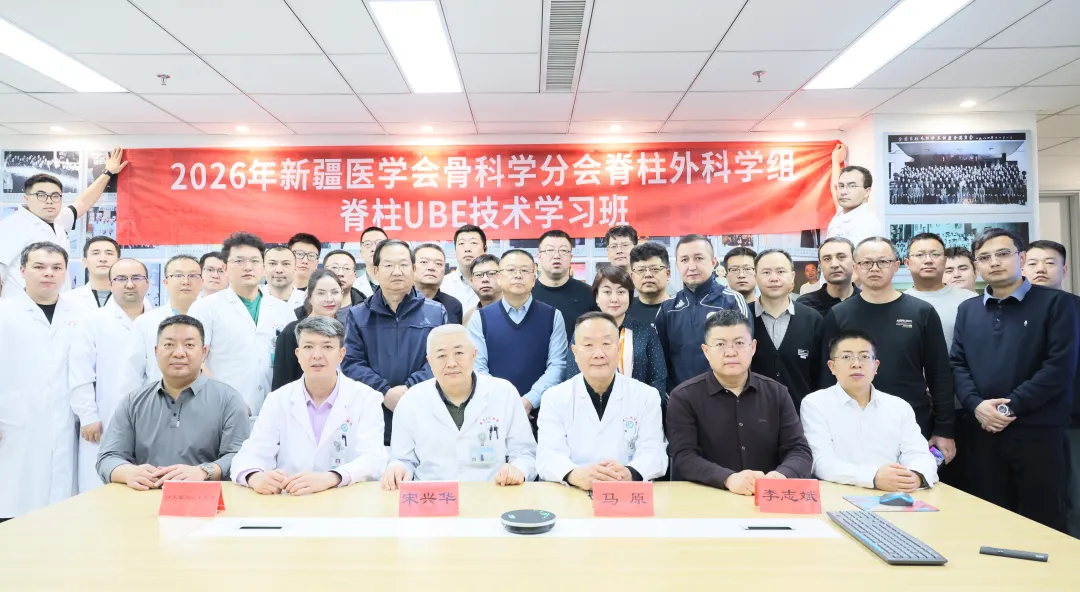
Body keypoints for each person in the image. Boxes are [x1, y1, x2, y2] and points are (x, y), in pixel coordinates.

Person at [952, 228, 1079, 532]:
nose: (994, 262)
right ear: (977, 265)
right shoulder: (968, 309)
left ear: (1021, 258)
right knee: (990, 521)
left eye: (1003, 254)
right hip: (983, 432)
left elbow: (1058, 368)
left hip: (1039, 434)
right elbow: (957, 363)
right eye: (984, 257)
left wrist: (1008, 409)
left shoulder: (1056, 304)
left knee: (1044, 523)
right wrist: (976, 405)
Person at [821, 237, 954, 454]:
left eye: (883, 262)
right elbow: (827, 375)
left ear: (896, 265)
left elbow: (939, 374)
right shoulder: (838, 314)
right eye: (866, 262)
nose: (874, 268)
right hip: (852, 423)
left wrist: (944, 429)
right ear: (856, 267)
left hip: (912, 422)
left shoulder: (921, 312)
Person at [233, 317, 387, 494]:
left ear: (341, 354)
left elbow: (374, 460)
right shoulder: (277, 400)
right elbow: (251, 453)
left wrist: (331, 478)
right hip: (291, 499)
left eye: (327, 347)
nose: (317, 355)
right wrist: (255, 477)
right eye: (308, 347)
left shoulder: (366, 398)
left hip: (346, 499)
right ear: (298, 354)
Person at [96, 315, 251, 490]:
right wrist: (129, 472)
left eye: (189, 345)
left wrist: (204, 471)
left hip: (206, 499)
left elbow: (240, 457)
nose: (178, 353)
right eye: (169, 344)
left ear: (204, 352)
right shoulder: (133, 402)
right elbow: (107, 457)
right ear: (156, 351)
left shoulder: (229, 400)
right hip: (144, 497)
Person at [667, 310, 812, 494]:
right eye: (720, 344)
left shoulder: (777, 393)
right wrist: (727, 478)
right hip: (708, 497)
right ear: (706, 351)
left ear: (753, 347)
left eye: (739, 343)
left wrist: (782, 475)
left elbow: (799, 450)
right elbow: (684, 457)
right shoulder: (684, 397)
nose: (731, 352)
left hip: (767, 496)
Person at [0, 243, 93, 518]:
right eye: (39, 267)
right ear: (22, 271)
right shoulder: (5, 313)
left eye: (56, 267)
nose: (48, 273)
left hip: (66, 417)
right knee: (14, 496)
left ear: (66, 272)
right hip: (14, 420)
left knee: (60, 505)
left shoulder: (81, 313)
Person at [381, 325, 536, 489]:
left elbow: (524, 453)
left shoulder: (504, 393)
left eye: (459, 353)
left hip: (492, 493)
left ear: (474, 355)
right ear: (430, 361)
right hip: (433, 497)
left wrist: (518, 470)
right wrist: (397, 469)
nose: (451, 363)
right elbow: (403, 459)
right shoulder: (411, 401)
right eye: (441, 356)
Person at [536, 312, 667, 489]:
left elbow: (655, 453)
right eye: (588, 345)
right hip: (572, 492)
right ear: (575, 352)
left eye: (606, 344)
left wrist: (629, 473)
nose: (598, 354)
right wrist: (576, 475)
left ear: (618, 348)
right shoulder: (554, 398)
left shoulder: (646, 396)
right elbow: (548, 456)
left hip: (626, 492)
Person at [801, 330, 939, 491]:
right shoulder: (815, 404)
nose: (856, 364)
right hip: (839, 492)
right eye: (846, 357)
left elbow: (919, 454)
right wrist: (873, 477)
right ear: (832, 367)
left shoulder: (899, 406)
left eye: (864, 357)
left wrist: (916, 476)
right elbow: (820, 462)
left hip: (896, 494)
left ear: (876, 366)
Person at [342, 239, 448, 446]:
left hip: (424, 410)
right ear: (375, 270)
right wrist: (384, 392)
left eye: (403, 264)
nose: (397, 272)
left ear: (414, 269)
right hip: (374, 413)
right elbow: (351, 363)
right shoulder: (358, 315)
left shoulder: (436, 312)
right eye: (389, 265)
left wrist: (409, 389)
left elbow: (442, 358)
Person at [188, 232, 296, 417]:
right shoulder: (205, 308)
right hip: (222, 410)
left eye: (254, 261)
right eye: (239, 261)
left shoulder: (283, 310)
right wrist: (226, 401)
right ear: (225, 268)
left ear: (263, 267)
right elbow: (194, 360)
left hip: (275, 410)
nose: (248, 267)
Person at [0, 148, 127, 299]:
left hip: (58, 304)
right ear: (26, 199)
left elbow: (82, 203)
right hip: (21, 305)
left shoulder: (59, 219)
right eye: (41, 195)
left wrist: (108, 172)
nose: (49, 201)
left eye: (55, 196)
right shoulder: (11, 226)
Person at [69, 258, 150, 493]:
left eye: (136, 278)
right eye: (121, 279)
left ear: (147, 283)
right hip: (104, 418)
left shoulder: (159, 320)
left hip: (152, 417)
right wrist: (87, 416)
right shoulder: (93, 322)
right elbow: (80, 372)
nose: (130, 284)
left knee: (146, 485)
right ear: (111, 283)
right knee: (98, 485)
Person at [1021, 240, 1080, 537]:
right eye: (1032, 263)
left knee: (1075, 498)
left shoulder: (1075, 307)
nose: (1040, 269)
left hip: (1073, 420)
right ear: (1022, 267)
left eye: (1050, 262)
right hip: (1030, 420)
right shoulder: (1012, 311)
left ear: (1064, 270)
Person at [467, 249, 566, 420]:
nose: (518, 275)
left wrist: (529, 400)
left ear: (534, 278)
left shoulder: (552, 316)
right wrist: (508, 402)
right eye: (511, 270)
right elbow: (478, 368)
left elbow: (558, 365)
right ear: (499, 277)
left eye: (525, 270)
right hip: (494, 411)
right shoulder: (480, 318)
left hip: (543, 413)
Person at [655, 234, 749, 392]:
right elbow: (659, 361)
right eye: (684, 260)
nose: (692, 266)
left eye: (698, 258)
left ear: (713, 262)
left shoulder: (732, 300)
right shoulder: (668, 307)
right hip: (679, 399)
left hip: (724, 397)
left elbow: (744, 354)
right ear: (677, 265)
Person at [564, 266, 666, 396]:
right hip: (590, 404)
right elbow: (573, 376)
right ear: (597, 297)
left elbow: (658, 379)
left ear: (629, 296)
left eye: (621, 292)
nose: (614, 299)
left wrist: (649, 405)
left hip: (638, 405)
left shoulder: (646, 332)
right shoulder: (584, 331)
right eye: (607, 292)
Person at [749, 249, 823, 412]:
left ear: (792, 276)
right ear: (755, 277)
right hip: (751, 415)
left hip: (801, 415)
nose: (774, 278)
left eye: (781, 271)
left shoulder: (813, 319)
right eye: (766, 272)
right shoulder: (743, 318)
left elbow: (820, 374)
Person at [126, 255, 203, 390]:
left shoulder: (214, 319)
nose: (186, 281)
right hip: (158, 398)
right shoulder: (145, 322)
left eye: (193, 276)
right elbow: (132, 374)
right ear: (165, 282)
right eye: (178, 275)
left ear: (202, 281)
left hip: (206, 399)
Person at [904, 233, 979, 352]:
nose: (928, 260)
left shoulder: (970, 300)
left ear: (944, 261)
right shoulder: (898, 303)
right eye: (919, 255)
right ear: (907, 263)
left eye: (935, 254)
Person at [272, 270, 346, 391]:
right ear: (310, 297)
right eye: (321, 293)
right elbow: (281, 383)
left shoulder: (346, 330)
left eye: (335, 292)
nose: (329, 299)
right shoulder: (292, 332)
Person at [532, 229, 599, 338]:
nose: (556, 256)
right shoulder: (526, 293)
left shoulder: (589, 293)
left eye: (563, 250)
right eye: (550, 250)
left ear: (570, 257)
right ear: (539, 257)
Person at [826, 144, 884, 247]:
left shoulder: (866, 224)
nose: (844, 191)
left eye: (852, 186)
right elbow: (835, 189)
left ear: (867, 191)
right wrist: (835, 161)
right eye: (841, 186)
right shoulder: (844, 212)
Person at [797, 237, 859, 316]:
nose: (834, 264)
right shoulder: (804, 305)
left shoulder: (869, 301)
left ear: (854, 261)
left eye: (841, 257)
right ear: (820, 264)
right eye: (827, 259)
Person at [440, 224, 486, 312]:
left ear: (485, 249)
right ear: (455, 250)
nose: (467, 249)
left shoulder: (498, 283)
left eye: (473, 243)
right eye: (461, 243)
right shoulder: (442, 284)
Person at [414, 243, 463, 324]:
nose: (431, 268)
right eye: (424, 262)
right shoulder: (399, 301)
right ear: (412, 267)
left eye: (438, 264)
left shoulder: (454, 305)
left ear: (444, 270)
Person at [625, 242, 671, 326]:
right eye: (641, 270)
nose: (648, 275)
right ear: (632, 277)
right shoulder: (623, 310)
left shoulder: (681, 309)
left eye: (655, 269)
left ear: (667, 274)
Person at [70, 236, 119, 309]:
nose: (103, 259)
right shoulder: (68, 300)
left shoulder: (133, 299)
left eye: (109, 253)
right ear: (85, 262)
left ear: (119, 262)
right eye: (96, 253)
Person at [461, 253, 502, 326]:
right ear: (471, 282)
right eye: (478, 275)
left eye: (491, 273)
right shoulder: (469, 317)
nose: (485, 279)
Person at [354, 226, 387, 298]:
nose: (374, 249)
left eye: (379, 243)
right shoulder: (353, 287)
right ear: (361, 252)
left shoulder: (401, 283)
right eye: (367, 244)